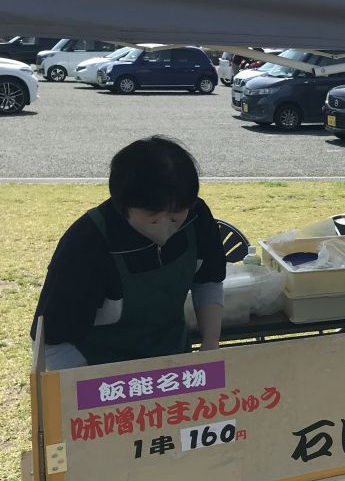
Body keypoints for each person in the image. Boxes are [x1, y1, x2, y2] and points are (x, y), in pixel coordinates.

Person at [31, 136, 225, 369]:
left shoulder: (196, 216)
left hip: (173, 365)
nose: (166, 225)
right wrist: (88, 390)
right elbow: (51, 343)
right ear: (123, 206)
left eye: (175, 215)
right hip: (101, 375)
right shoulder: (87, 243)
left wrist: (210, 344)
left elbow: (208, 278)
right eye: (153, 217)